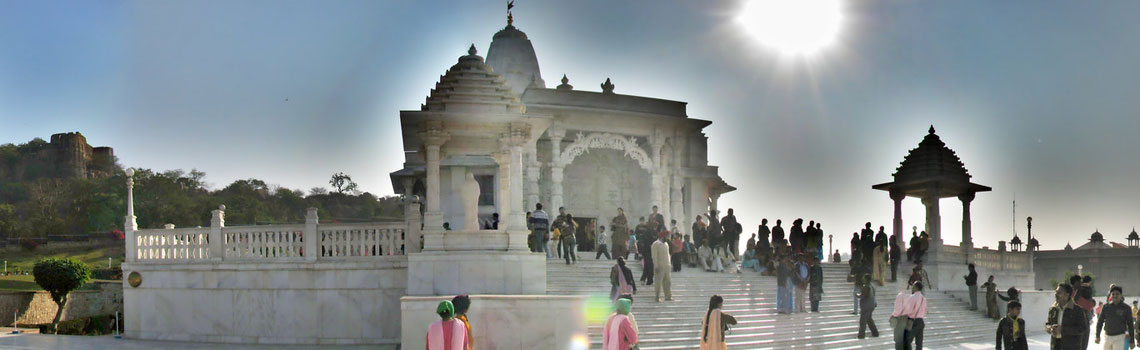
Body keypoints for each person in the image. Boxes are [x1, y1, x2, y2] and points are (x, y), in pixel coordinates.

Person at [1047, 283, 1088, 350]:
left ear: (1067, 295)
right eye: (1056, 292)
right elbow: (1047, 324)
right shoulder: (1053, 309)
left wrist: (1062, 330)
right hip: (1055, 346)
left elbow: (1083, 328)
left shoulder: (1077, 310)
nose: (1056, 295)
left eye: (1059, 292)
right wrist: (1050, 329)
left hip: (1071, 346)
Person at [1096, 285, 1135, 350]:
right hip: (1107, 337)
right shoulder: (1106, 307)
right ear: (1110, 295)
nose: (1115, 296)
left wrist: (1132, 340)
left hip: (1119, 337)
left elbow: (1130, 325)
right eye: (1113, 294)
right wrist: (1097, 336)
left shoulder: (1126, 308)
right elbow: (1100, 322)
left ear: (1121, 295)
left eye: (1117, 294)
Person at [651, 231, 673, 302]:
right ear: (662, 236)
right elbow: (654, 256)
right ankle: (657, 297)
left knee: (668, 282)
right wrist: (656, 265)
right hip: (659, 266)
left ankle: (668, 296)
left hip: (667, 265)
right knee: (658, 282)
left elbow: (668, 255)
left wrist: (669, 264)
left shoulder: (666, 244)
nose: (668, 238)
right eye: (667, 236)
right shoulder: (656, 244)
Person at [906, 282, 929, 349]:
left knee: (907, 340)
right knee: (919, 343)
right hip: (921, 322)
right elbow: (925, 312)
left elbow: (908, 310)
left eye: (913, 286)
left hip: (913, 321)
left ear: (916, 287)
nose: (912, 288)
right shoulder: (923, 299)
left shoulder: (912, 297)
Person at [891, 283, 913, 350]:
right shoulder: (911, 296)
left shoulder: (900, 296)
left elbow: (898, 310)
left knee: (898, 339)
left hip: (901, 318)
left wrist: (893, 316)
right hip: (909, 319)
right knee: (907, 340)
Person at [857, 274, 880, 339]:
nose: (862, 279)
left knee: (863, 321)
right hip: (871, 305)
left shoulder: (866, 287)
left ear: (866, 279)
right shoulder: (872, 286)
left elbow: (861, 295)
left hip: (866, 306)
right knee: (869, 319)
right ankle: (875, 333)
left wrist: (856, 294)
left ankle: (861, 335)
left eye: (863, 278)